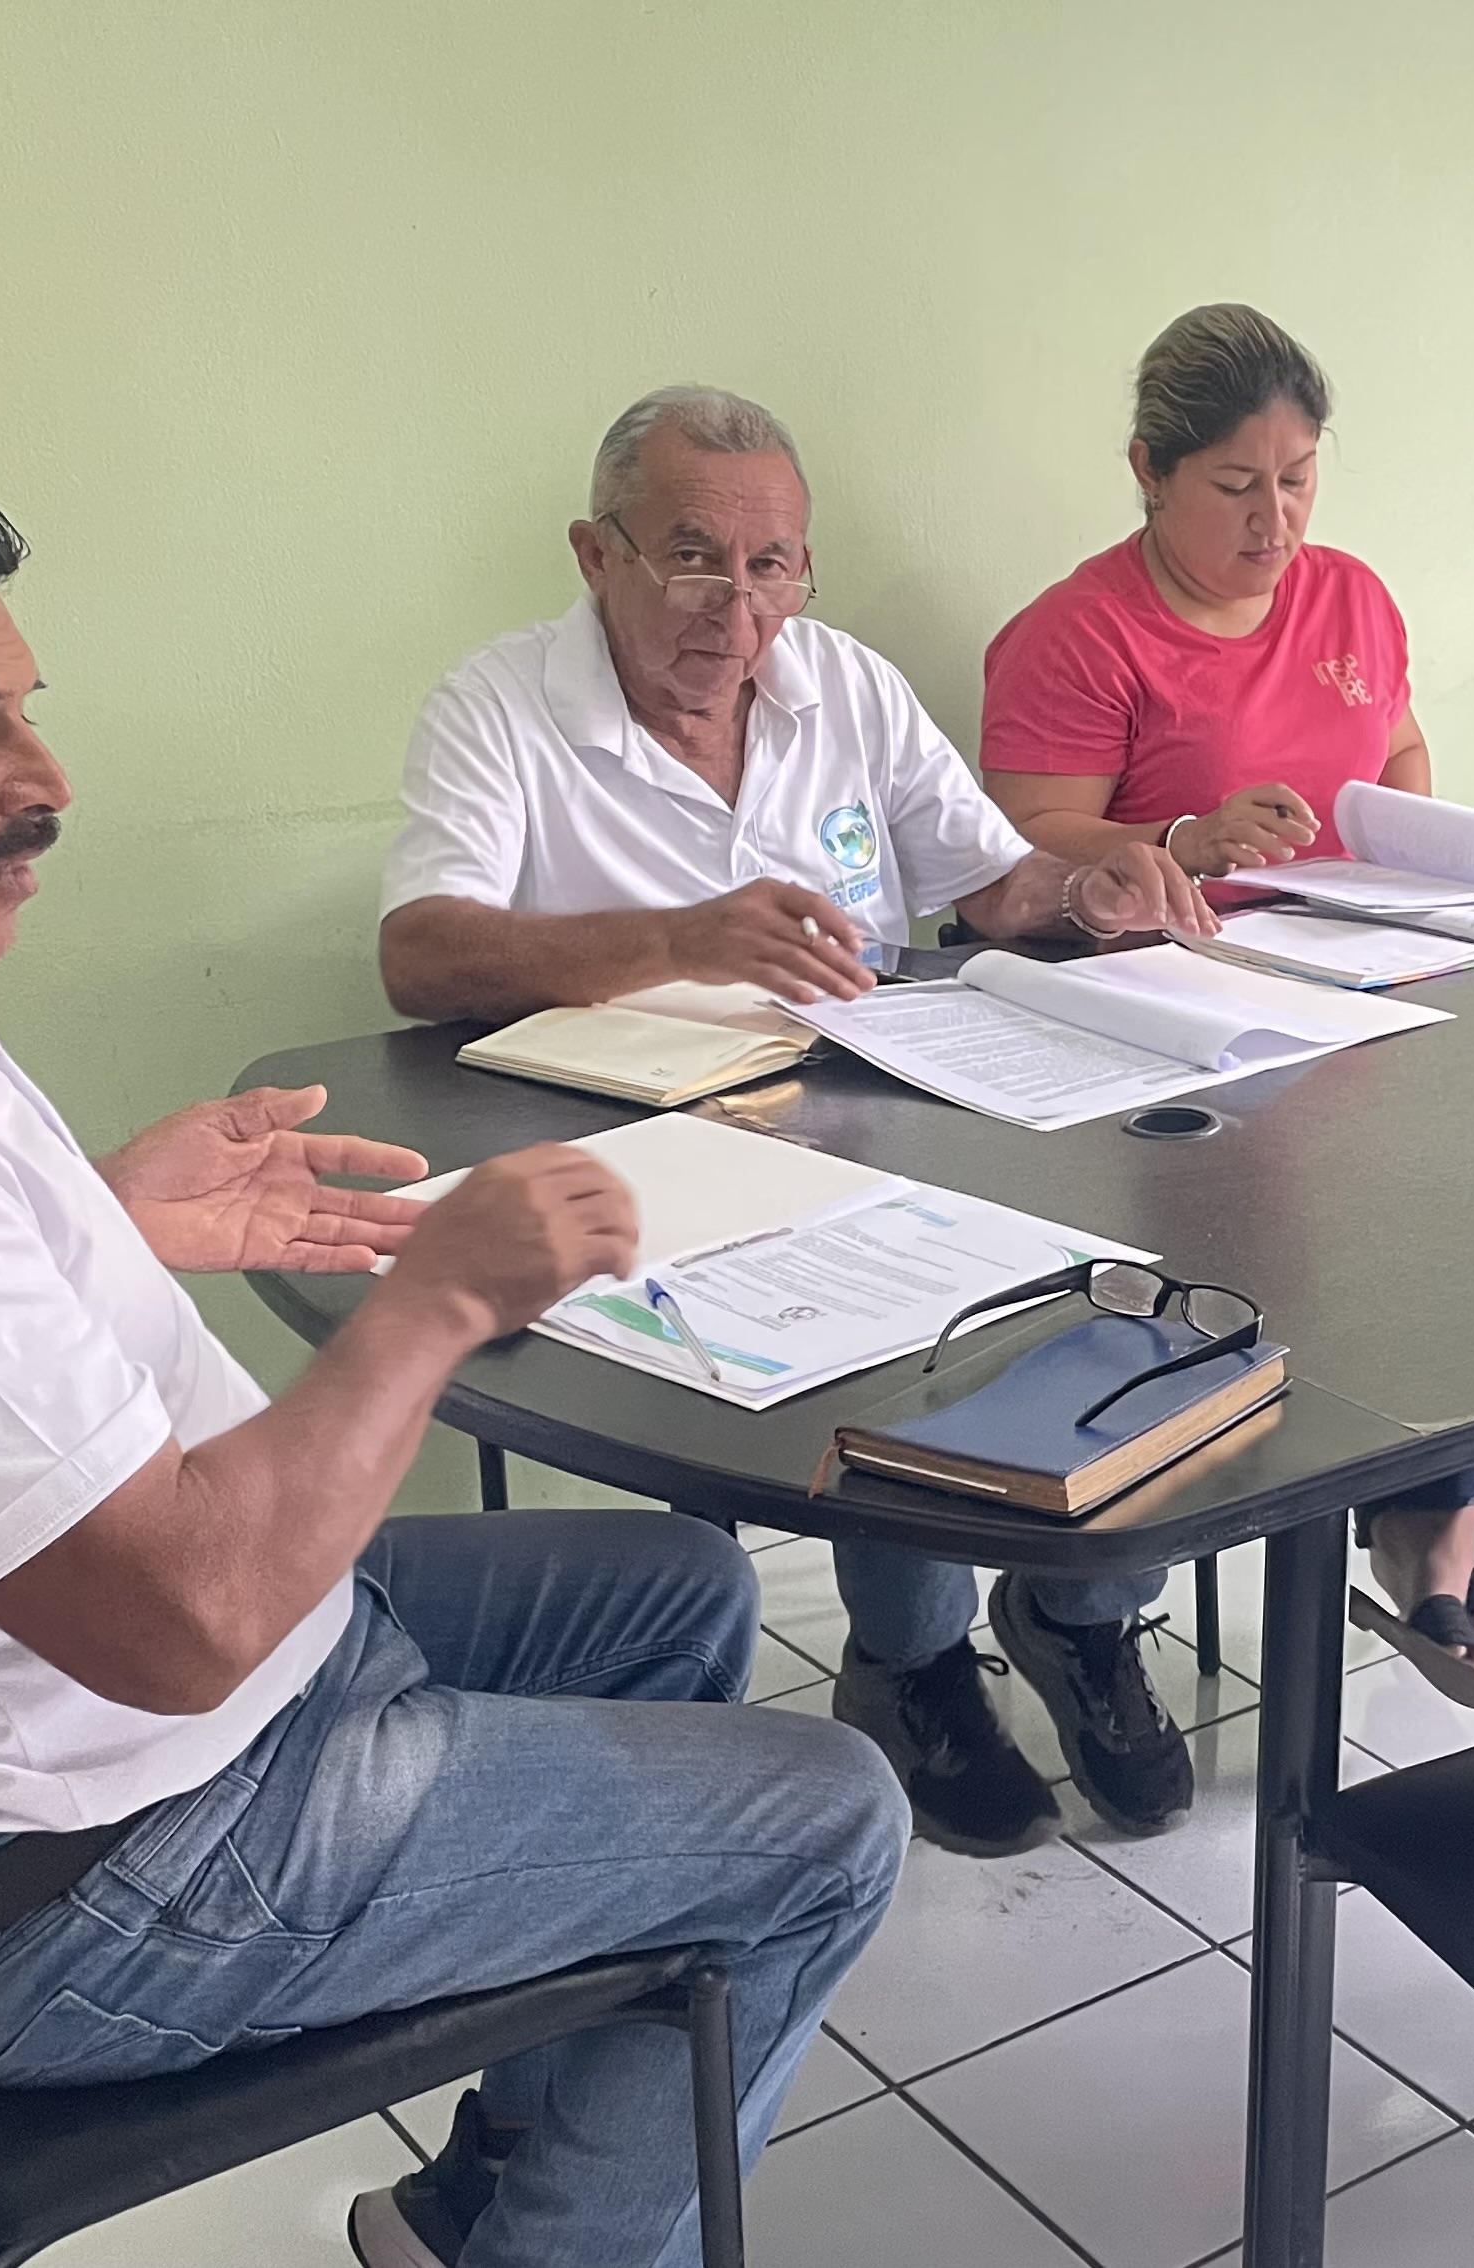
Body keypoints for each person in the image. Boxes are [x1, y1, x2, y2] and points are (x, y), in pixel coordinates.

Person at [0, 449, 907, 2268]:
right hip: (109, 1872)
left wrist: (91, 1220)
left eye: (21, 712)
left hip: (108, 1736)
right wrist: (436, 1303)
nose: (45, 782)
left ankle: (488, 2205)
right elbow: (186, 1617)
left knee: (677, 1593)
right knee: (829, 1816)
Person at [375, 386, 1217, 1856]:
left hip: (869, 1093)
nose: (739, 606)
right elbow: (421, 954)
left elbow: (991, 884)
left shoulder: (846, 686)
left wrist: (1089, 892)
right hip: (633, 1158)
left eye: (772, 567)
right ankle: (914, 1660)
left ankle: (1083, 1611)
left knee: (1113, 1242)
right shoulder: (500, 703)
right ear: (596, 552)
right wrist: (679, 938)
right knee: (886, 1320)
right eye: (693, 558)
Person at [976, 304, 1474, 1701]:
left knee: (1447, 1229)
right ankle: (1085, 1614)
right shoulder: (1078, 632)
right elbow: (1017, 848)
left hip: (1351, 985)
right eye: (1234, 486)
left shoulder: (1351, 597)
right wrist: (1184, 840)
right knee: (1201, 1289)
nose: (1274, 521)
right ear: (1149, 472)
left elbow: (1398, 749)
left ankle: (1429, 1535)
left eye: (1297, 479)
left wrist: (1414, 860)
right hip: (1158, 1023)